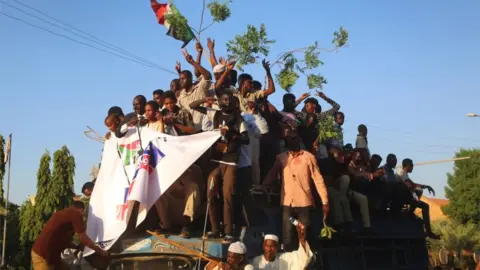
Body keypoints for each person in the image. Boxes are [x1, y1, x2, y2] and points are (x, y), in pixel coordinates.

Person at [190, 91, 249, 243]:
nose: (227, 102)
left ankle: (228, 231)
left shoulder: (238, 119)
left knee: (227, 195)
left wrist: (232, 134)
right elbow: (192, 105)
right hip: (217, 161)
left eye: (229, 100)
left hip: (230, 162)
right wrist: (205, 99)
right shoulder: (214, 114)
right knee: (211, 192)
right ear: (220, 102)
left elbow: (246, 139)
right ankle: (215, 228)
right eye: (224, 99)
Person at [263, 129, 329, 252]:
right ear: (286, 142)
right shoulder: (282, 158)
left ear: (299, 140)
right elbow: (272, 174)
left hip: (304, 204)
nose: (293, 141)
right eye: (290, 139)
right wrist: (262, 186)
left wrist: (325, 201)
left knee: (304, 235)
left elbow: (318, 180)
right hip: (288, 204)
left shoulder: (309, 158)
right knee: (288, 236)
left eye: (295, 138)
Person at [31, 201, 109, 269]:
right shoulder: (75, 214)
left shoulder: (64, 215)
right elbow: (83, 238)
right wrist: (100, 251)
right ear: (81, 210)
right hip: (42, 255)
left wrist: (76, 247)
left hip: (51, 256)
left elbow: (63, 241)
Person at [395, 158, 439, 239]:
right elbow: (411, 185)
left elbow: (412, 185)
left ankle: (410, 212)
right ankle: (428, 231)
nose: (412, 167)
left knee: (419, 190)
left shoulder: (403, 173)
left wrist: (422, 187)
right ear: (406, 166)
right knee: (425, 206)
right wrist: (425, 186)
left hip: (404, 196)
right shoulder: (401, 172)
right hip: (402, 197)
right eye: (411, 165)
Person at [177, 50, 212, 131]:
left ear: (190, 79)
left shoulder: (200, 87)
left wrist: (192, 62)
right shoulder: (181, 96)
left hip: (206, 129)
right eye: (180, 79)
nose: (181, 81)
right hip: (191, 133)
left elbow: (207, 76)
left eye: (183, 79)